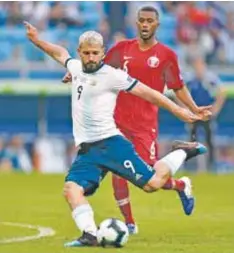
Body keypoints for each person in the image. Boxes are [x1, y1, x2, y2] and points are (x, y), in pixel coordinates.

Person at [24, 22, 208, 247]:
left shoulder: (112, 75)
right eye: (86, 53)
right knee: (71, 189)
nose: (91, 58)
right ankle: (90, 235)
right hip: (88, 151)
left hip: (111, 145)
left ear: (103, 53)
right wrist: (36, 40)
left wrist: (180, 110)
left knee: (152, 184)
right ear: (80, 53)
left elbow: (150, 94)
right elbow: (59, 52)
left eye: (95, 53)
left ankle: (181, 152)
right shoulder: (75, 68)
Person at [62, 6, 212, 233]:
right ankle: (130, 224)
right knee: (119, 172)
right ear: (136, 22)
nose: (144, 24)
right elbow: (95, 66)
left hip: (145, 123)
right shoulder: (121, 49)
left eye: (149, 21)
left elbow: (177, 87)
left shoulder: (166, 55)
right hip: (115, 122)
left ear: (156, 25)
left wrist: (193, 109)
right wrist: (74, 72)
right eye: (141, 20)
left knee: (148, 178)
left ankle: (181, 184)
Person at [186, 57, 226, 169]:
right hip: (194, 113)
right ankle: (190, 164)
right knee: (192, 139)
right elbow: (178, 91)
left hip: (207, 114)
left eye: (200, 66)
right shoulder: (190, 79)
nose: (198, 69)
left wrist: (216, 109)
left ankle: (211, 164)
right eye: (196, 66)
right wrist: (185, 108)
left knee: (210, 139)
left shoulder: (210, 79)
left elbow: (222, 92)